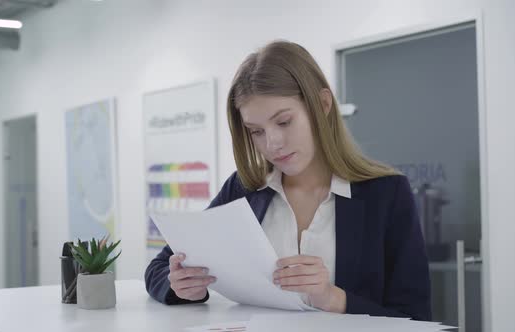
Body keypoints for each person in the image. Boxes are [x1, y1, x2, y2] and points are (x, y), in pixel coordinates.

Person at [144, 40, 431, 321]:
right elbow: (160, 267)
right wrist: (181, 286)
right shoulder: (245, 188)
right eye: (256, 131)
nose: (273, 143)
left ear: (323, 104)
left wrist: (333, 298)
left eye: (284, 122)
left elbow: (415, 318)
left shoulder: (386, 194)